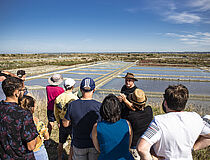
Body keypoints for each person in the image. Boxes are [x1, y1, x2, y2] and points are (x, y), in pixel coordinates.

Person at [137, 84, 210, 160]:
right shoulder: (195, 118)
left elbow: (141, 148)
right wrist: (192, 148)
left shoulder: (159, 121)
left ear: (165, 103)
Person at [63, 77, 101, 160]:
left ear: (80, 89)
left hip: (78, 144)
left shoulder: (72, 105)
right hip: (94, 144)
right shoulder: (99, 106)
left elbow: (65, 124)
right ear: (94, 90)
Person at [0, 77, 38, 159]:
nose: (24, 92)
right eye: (23, 90)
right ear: (16, 92)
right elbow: (31, 146)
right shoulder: (24, 114)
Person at [92, 94, 134, 160]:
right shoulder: (126, 123)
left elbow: (98, 148)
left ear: (104, 109)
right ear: (118, 109)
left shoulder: (97, 126)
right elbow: (128, 145)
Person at [120, 88, 153, 160]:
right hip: (146, 144)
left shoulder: (130, 115)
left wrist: (124, 101)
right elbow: (136, 109)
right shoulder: (149, 111)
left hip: (134, 145)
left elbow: (133, 110)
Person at [54, 78, 78, 160]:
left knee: (61, 142)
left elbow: (55, 112)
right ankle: (70, 157)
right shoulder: (74, 98)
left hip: (61, 121)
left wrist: (58, 121)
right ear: (72, 87)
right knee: (73, 142)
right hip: (72, 123)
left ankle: (59, 157)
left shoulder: (58, 97)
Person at [20, 95, 49, 160]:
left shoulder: (16, 122)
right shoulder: (38, 123)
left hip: (22, 152)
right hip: (38, 151)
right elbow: (47, 136)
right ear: (33, 108)